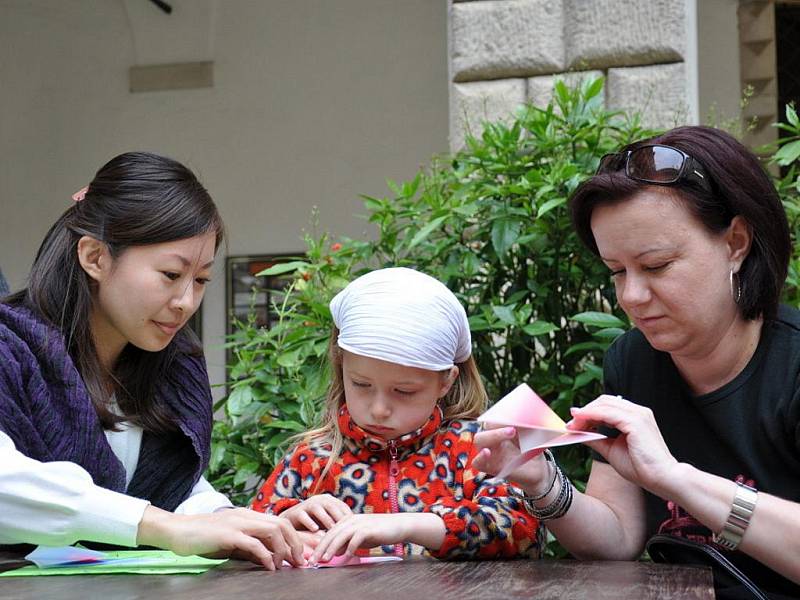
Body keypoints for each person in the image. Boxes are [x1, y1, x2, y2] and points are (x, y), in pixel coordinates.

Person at [473, 126, 800, 598]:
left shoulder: (791, 367)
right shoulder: (633, 362)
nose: (632, 296)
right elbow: (617, 537)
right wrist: (541, 479)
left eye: (657, 265)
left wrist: (676, 480)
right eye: (616, 272)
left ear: (736, 243)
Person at [0, 152, 303, 570]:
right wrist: (164, 527)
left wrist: (244, 525)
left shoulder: (172, 366)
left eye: (200, 280)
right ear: (94, 258)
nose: (185, 302)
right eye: (170, 275)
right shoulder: (9, 347)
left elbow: (171, 491)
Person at [252, 267, 543, 562]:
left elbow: (523, 531)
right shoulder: (312, 459)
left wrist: (412, 524)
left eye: (404, 391)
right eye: (361, 384)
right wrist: (285, 520)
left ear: (446, 381)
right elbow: (245, 536)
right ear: (341, 367)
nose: (379, 409)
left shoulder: (476, 449)